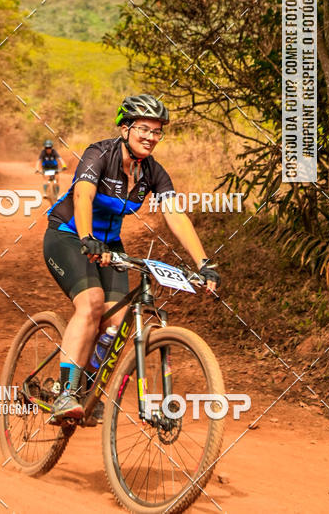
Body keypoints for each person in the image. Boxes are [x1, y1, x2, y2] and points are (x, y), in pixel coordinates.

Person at [43, 94, 221, 423]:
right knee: (91, 303)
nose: (151, 137)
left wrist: (203, 263)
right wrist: (87, 238)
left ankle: (86, 388)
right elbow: (83, 196)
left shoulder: (153, 172)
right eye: (143, 129)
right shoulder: (99, 154)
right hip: (68, 234)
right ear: (125, 129)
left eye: (157, 131)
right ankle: (65, 393)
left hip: (109, 244)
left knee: (117, 324)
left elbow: (174, 213)